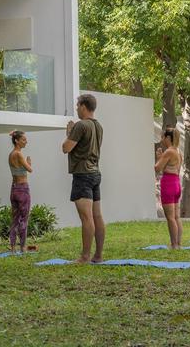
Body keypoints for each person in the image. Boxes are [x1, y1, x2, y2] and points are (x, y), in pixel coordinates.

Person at [62, 93, 105, 263]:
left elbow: (66, 148)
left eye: (77, 105)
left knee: (86, 218)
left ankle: (85, 256)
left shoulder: (81, 125)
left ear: (84, 106)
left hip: (82, 175)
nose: (76, 108)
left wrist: (69, 133)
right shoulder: (98, 126)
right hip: (95, 173)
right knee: (97, 216)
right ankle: (98, 256)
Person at [154, 127, 183, 248]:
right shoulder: (178, 152)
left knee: (170, 218)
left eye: (163, 136)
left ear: (168, 138)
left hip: (169, 184)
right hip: (176, 183)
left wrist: (159, 157)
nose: (161, 139)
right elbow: (176, 169)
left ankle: (174, 244)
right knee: (176, 216)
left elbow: (157, 168)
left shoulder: (169, 151)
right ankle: (178, 243)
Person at [8, 129, 33, 254]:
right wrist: (29, 162)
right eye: (23, 140)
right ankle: (23, 247)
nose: (26, 142)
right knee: (24, 218)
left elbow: (18, 169)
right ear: (17, 141)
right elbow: (29, 169)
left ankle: (12, 248)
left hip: (13, 189)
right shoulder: (18, 154)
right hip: (23, 189)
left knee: (15, 219)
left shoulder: (11, 154)